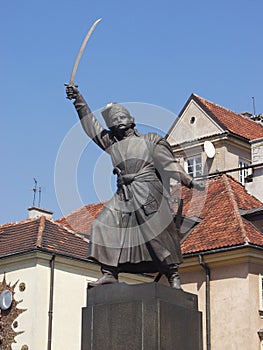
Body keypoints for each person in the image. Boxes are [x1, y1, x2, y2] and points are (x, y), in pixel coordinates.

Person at [66, 85, 205, 289]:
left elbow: (170, 165)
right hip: (123, 194)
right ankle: (110, 272)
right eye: (113, 119)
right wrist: (78, 100)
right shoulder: (112, 143)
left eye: (121, 116)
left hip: (148, 190)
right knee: (102, 225)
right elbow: (91, 126)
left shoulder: (150, 141)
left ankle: (173, 274)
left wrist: (190, 181)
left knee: (158, 235)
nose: (117, 120)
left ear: (131, 120)